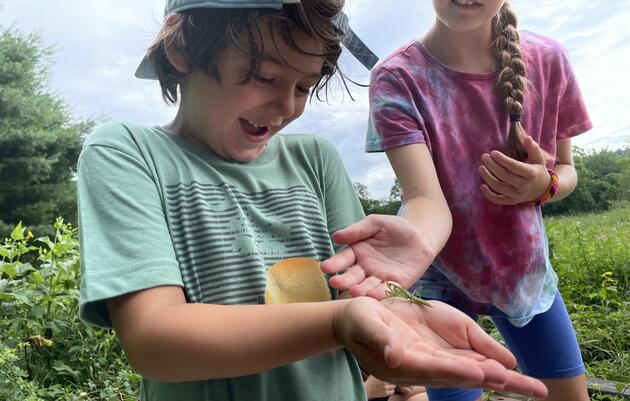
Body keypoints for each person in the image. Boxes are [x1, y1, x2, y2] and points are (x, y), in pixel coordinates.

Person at [76, 1, 549, 401]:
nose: (286, 106)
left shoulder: (314, 160)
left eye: (303, 86)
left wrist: (395, 319)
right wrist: (340, 322)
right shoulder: (127, 154)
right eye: (263, 75)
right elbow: (156, 340)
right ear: (180, 48)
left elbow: (363, 298)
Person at [322, 1, 592, 401]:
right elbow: (424, 198)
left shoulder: (549, 60)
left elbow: (566, 170)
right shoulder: (395, 77)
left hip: (525, 277)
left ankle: (396, 387)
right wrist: (412, 243)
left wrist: (545, 185)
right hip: (438, 285)